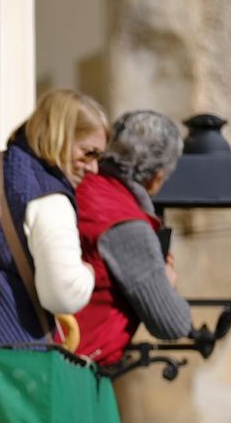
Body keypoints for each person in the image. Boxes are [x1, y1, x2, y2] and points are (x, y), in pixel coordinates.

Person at [0, 89, 109, 345]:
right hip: (11, 351)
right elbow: (63, 295)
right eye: (88, 152)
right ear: (59, 137)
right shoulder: (50, 197)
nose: (94, 168)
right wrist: (88, 272)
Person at [73, 110, 194, 366]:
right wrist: (167, 281)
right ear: (156, 178)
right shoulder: (126, 225)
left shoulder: (80, 186)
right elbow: (172, 324)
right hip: (75, 366)